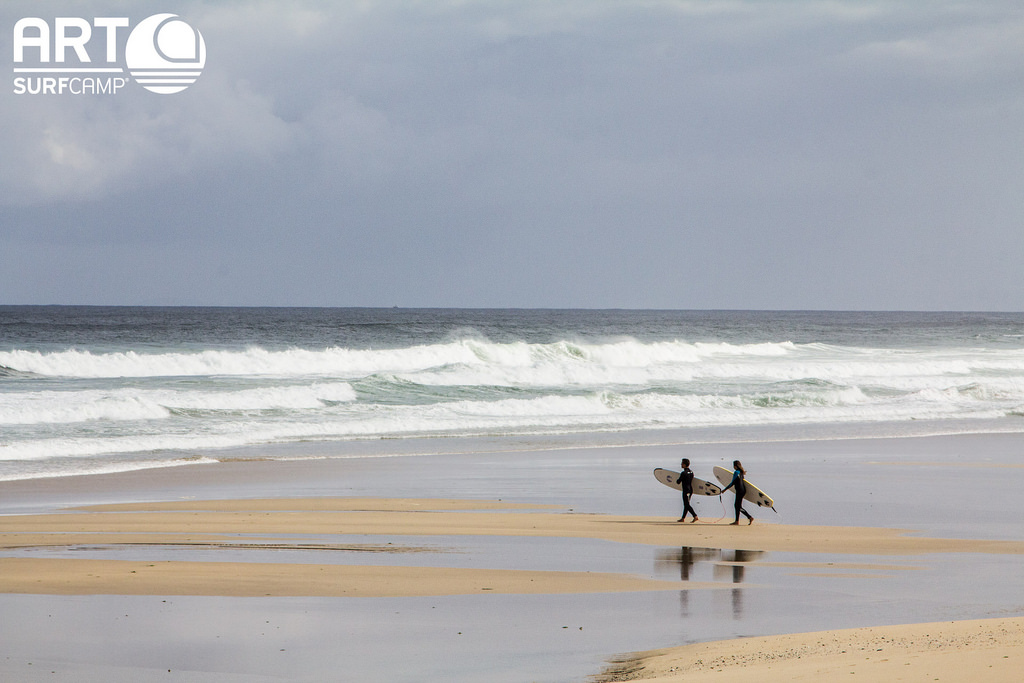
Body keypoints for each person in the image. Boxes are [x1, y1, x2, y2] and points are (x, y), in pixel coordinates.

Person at [719, 459, 754, 525]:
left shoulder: (736, 473)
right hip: (743, 490)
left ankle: (749, 517)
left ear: (735, 466)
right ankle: (738, 521)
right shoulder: (741, 472)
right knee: (737, 506)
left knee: (738, 506)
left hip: (739, 491)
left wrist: (724, 489)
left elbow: (732, 483)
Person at [675, 458, 698, 523]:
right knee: (686, 504)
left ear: (685, 465)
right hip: (690, 490)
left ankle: (695, 516)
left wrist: (676, 480)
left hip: (686, 490)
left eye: (682, 463)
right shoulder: (691, 472)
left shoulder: (683, 473)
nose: (681, 464)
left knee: (687, 505)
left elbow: (678, 482)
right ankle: (683, 518)